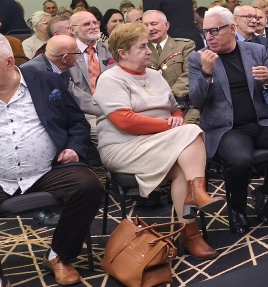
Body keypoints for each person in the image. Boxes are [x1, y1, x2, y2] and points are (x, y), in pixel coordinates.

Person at [0, 33, 103, 287]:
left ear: (9, 62)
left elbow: (77, 123)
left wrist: (74, 148)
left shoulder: (46, 81)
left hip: (47, 170)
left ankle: (59, 255)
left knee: (89, 186)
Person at [94, 23, 222, 259]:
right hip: (124, 146)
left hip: (162, 141)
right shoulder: (110, 79)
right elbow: (125, 121)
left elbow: (174, 108)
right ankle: (197, 198)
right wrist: (170, 126)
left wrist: (176, 119)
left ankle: (190, 231)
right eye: (142, 47)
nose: (149, 51)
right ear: (123, 53)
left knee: (183, 170)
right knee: (191, 131)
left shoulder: (154, 75)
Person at [188, 6, 268, 234]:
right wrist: (206, 73)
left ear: (231, 29)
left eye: (214, 31)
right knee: (240, 161)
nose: (209, 37)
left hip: (260, 123)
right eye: (205, 32)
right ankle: (237, 210)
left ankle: (267, 192)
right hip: (225, 129)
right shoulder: (198, 58)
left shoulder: (256, 50)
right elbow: (196, 101)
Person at [143, 10, 199, 125]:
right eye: (145, 26)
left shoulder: (184, 46)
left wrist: (169, 94)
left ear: (166, 25)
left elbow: (190, 73)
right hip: (151, 107)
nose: (150, 29)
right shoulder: (140, 50)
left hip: (183, 104)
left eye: (154, 24)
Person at [68, 10, 113, 140]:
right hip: (85, 112)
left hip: (116, 106)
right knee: (108, 136)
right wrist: (100, 107)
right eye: (87, 24)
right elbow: (69, 88)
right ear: (72, 30)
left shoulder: (111, 50)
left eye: (95, 22)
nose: (93, 26)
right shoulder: (67, 54)